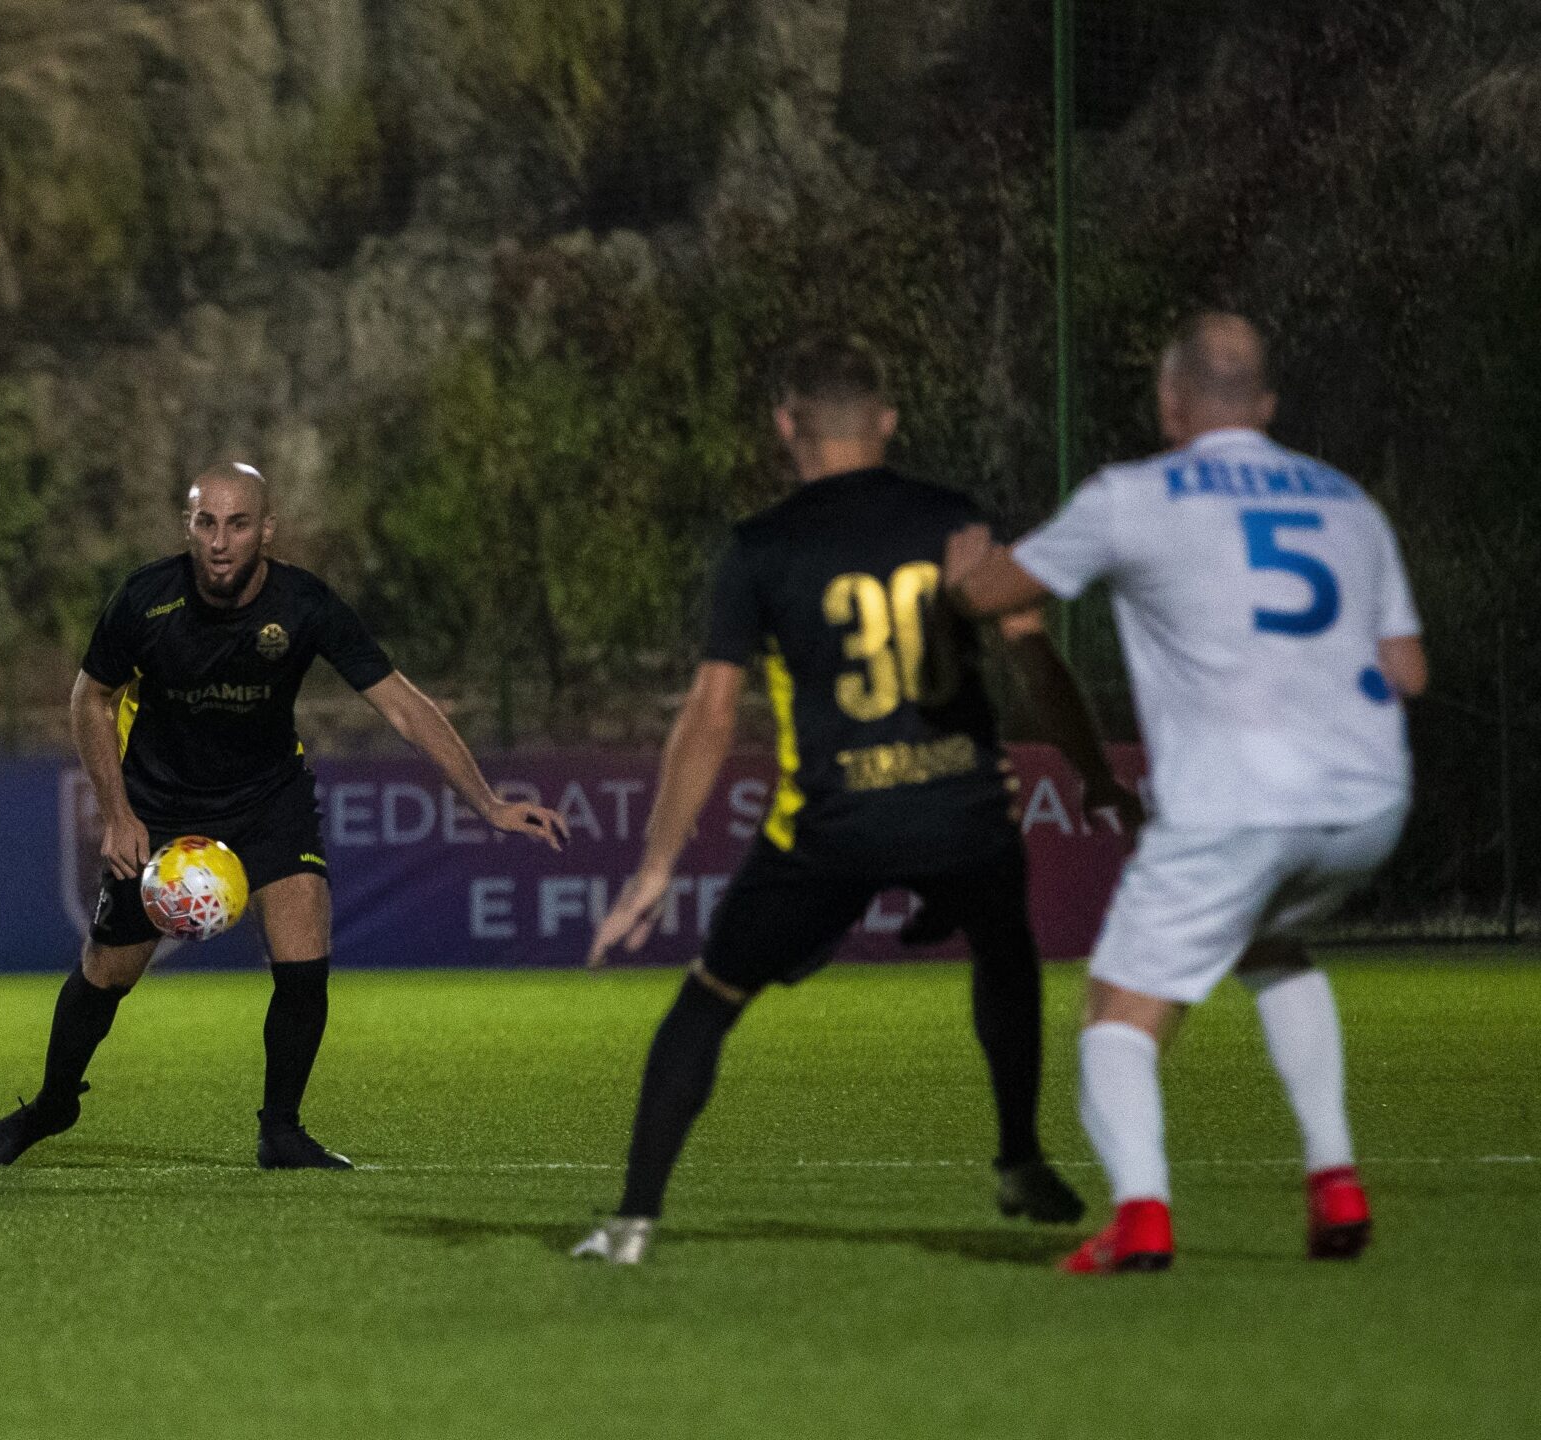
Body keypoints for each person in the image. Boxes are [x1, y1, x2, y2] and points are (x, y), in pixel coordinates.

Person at [571, 336, 1125, 1265]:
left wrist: (656, 868)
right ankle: (1020, 1156)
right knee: (1004, 947)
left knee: (709, 998)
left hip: (832, 828)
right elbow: (1033, 656)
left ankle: (631, 1222)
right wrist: (1092, 769)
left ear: (787, 425)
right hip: (961, 808)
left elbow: (710, 713)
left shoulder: (762, 548)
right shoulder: (955, 520)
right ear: (889, 422)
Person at [944, 312, 1424, 1273]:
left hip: (1237, 804)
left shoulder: (1134, 497)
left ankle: (1140, 1213)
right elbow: (1407, 670)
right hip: (1368, 801)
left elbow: (996, 594)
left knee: (1118, 1014)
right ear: (1270, 406)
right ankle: (1335, 1179)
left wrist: (965, 577)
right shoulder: (1347, 501)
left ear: (1170, 405)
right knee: (1272, 943)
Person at [0, 463, 569, 1169]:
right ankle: (53, 1104)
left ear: (267, 530)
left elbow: (401, 703)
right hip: (157, 804)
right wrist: (118, 814)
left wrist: (487, 802)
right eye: (205, 523)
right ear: (187, 527)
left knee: (305, 961)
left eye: (238, 524)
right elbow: (88, 699)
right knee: (107, 973)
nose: (220, 541)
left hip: (267, 798)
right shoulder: (146, 600)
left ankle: (281, 1130)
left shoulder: (305, 605)